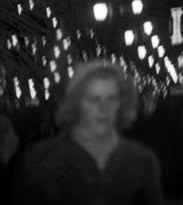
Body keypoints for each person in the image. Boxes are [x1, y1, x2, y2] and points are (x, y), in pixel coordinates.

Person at [11, 60, 164, 205]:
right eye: (93, 99)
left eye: (111, 99)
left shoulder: (143, 161)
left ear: (121, 104)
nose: (104, 108)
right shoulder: (40, 161)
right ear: (76, 103)